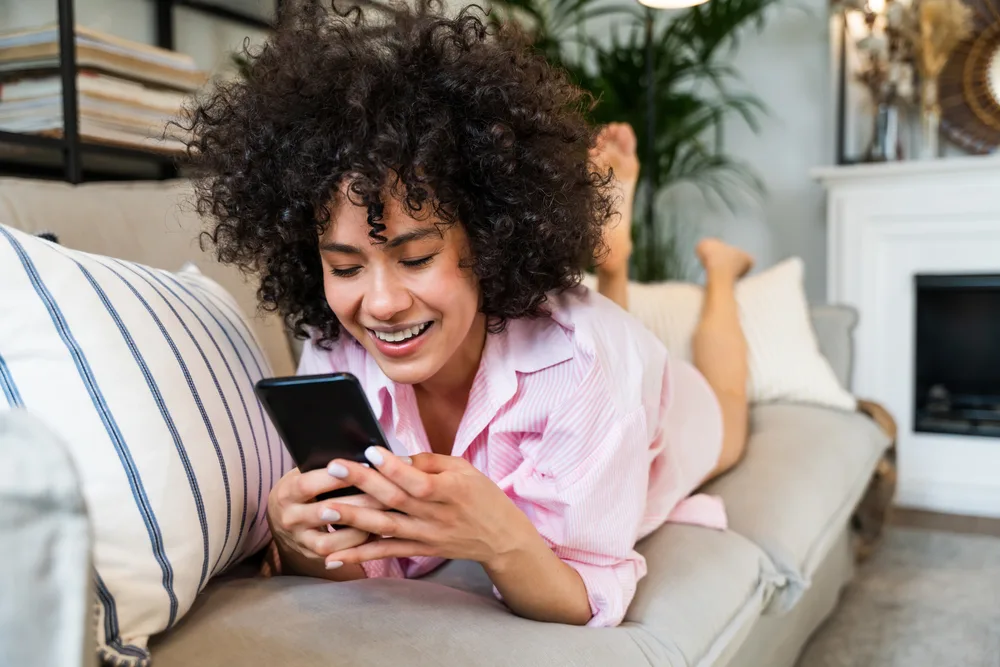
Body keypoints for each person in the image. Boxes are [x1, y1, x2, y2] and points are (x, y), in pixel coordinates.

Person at [185, 0, 752, 628]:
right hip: (588, 368)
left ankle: (720, 271)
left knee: (728, 416)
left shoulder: (591, 360)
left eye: (417, 257)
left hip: (662, 414)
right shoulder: (338, 341)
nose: (379, 304)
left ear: (485, 240)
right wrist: (301, 539)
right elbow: (364, 570)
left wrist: (499, 538)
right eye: (346, 267)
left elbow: (583, 595)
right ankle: (611, 262)